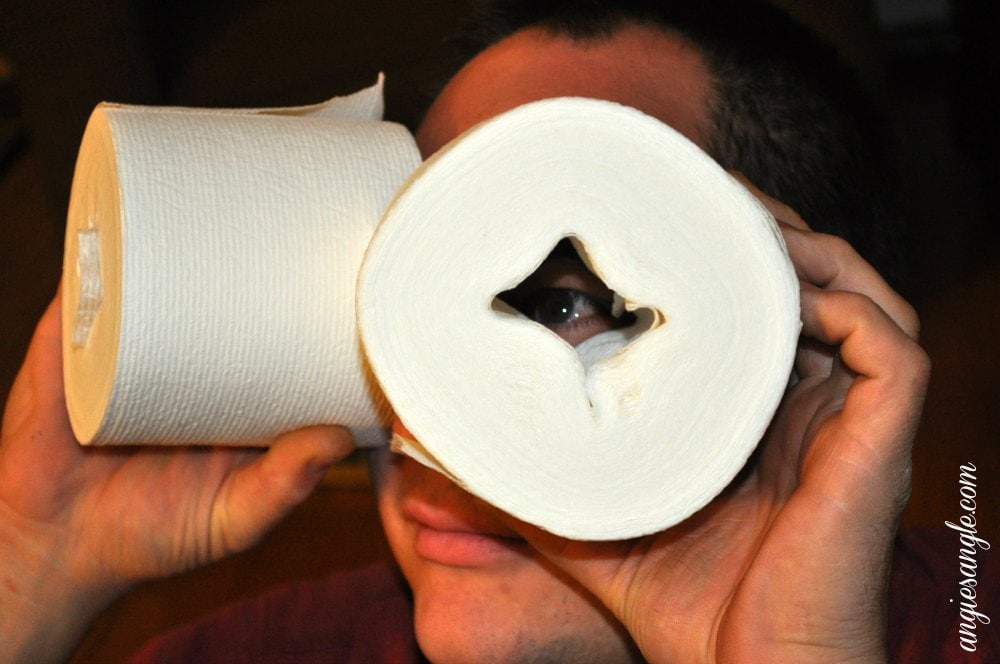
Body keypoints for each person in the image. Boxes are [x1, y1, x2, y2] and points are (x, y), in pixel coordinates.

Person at [2, 0, 974, 661]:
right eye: (396, 277)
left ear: (784, 338)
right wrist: (30, 568)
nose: (420, 432)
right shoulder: (265, 645)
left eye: (556, 300)